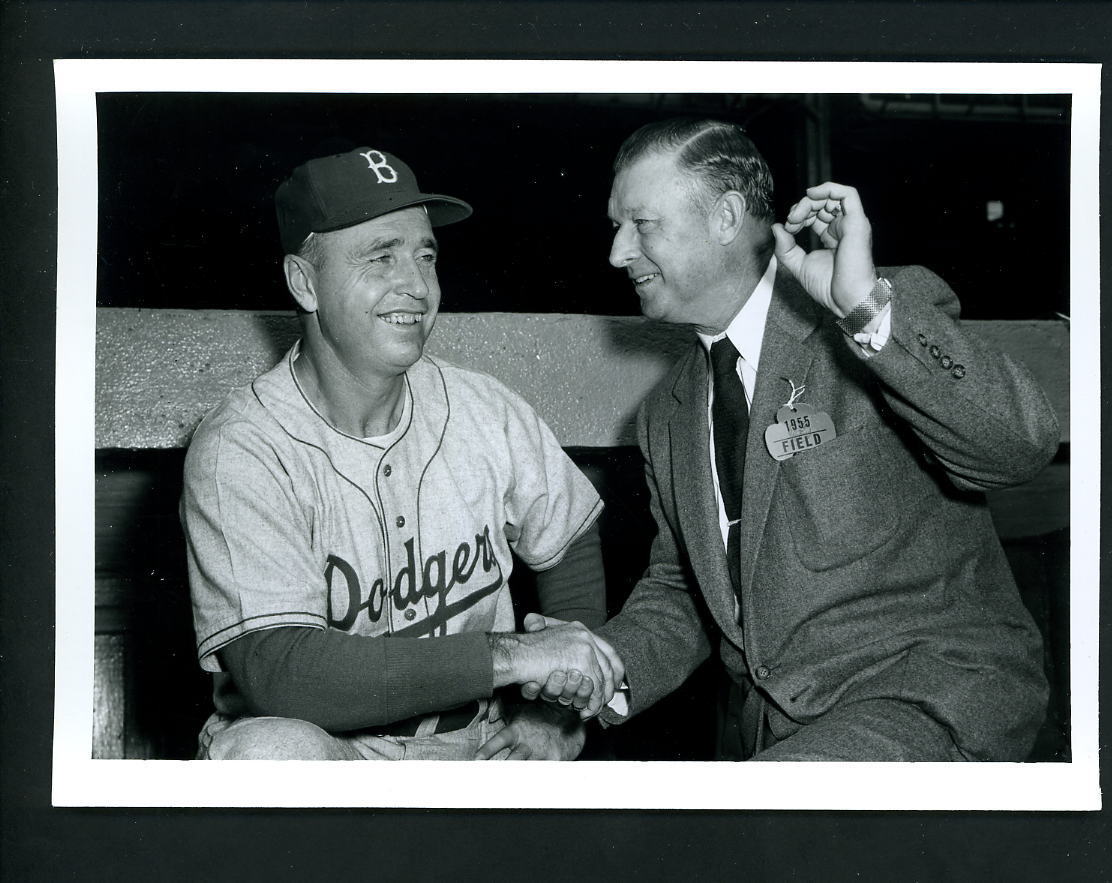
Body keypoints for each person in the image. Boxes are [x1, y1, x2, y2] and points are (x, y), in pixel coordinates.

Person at [534, 118, 1060, 761]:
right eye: (617, 228)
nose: (617, 253)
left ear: (726, 216)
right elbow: (687, 595)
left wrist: (862, 307)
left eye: (641, 225)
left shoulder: (867, 321)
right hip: (782, 739)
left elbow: (1018, 445)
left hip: (932, 701)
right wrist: (595, 680)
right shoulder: (664, 415)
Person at [181, 146, 623, 761]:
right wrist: (515, 657)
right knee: (272, 754)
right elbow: (280, 670)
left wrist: (556, 713)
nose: (416, 286)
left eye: (425, 255)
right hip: (333, 752)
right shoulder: (243, 446)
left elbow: (569, 542)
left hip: (478, 743)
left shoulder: (482, 407)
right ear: (304, 283)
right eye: (380, 256)